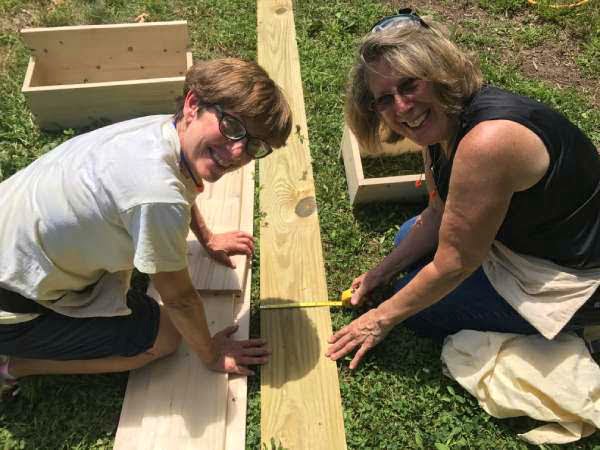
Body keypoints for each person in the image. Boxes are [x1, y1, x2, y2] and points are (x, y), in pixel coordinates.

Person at [0, 58, 292, 396]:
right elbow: (180, 299)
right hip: (12, 307)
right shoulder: (156, 195)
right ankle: (13, 365)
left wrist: (207, 238)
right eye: (231, 126)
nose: (238, 150)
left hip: (14, 249)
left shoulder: (161, 130)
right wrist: (211, 355)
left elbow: (180, 186)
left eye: (254, 145)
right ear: (193, 104)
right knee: (165, 338)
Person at [326, 9, 600, 370]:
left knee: (422, 312)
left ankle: (582, 324)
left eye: (409, 85)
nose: (402, 108)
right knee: (408, 240)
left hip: (571, 278)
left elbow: (455, 263)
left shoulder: (487, 143)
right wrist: (380, 272)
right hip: (521, 243)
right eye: (385, 99)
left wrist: (378, 319)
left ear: (438, 73)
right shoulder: (441, 123)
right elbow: (439, 211)